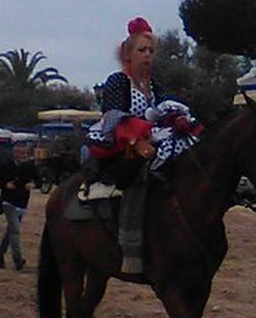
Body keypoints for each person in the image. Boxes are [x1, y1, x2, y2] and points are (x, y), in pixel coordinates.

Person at [85, 16, 198, 276]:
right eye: (142, 50)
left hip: (152, 142)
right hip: (119, 145)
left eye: (151, 51)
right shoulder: (118, 82)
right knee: (140, 177)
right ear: (128, 53)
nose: (147, 56)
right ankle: (131, 247)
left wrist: (179, 120)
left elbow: (167, 108)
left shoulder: (154, 86)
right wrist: (136, 141)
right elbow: (113, 117)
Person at [0, 160, 31, 271]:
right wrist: (5, 184)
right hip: (8, 202)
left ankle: (0, 252)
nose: (21, 155)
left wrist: (33, 184)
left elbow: (39, 179)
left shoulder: (29, 166)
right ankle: (18, 260)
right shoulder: (6, 165)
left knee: (11, 230)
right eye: (19, 151)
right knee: (15, 230)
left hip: (22, 203)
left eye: (24, 153)